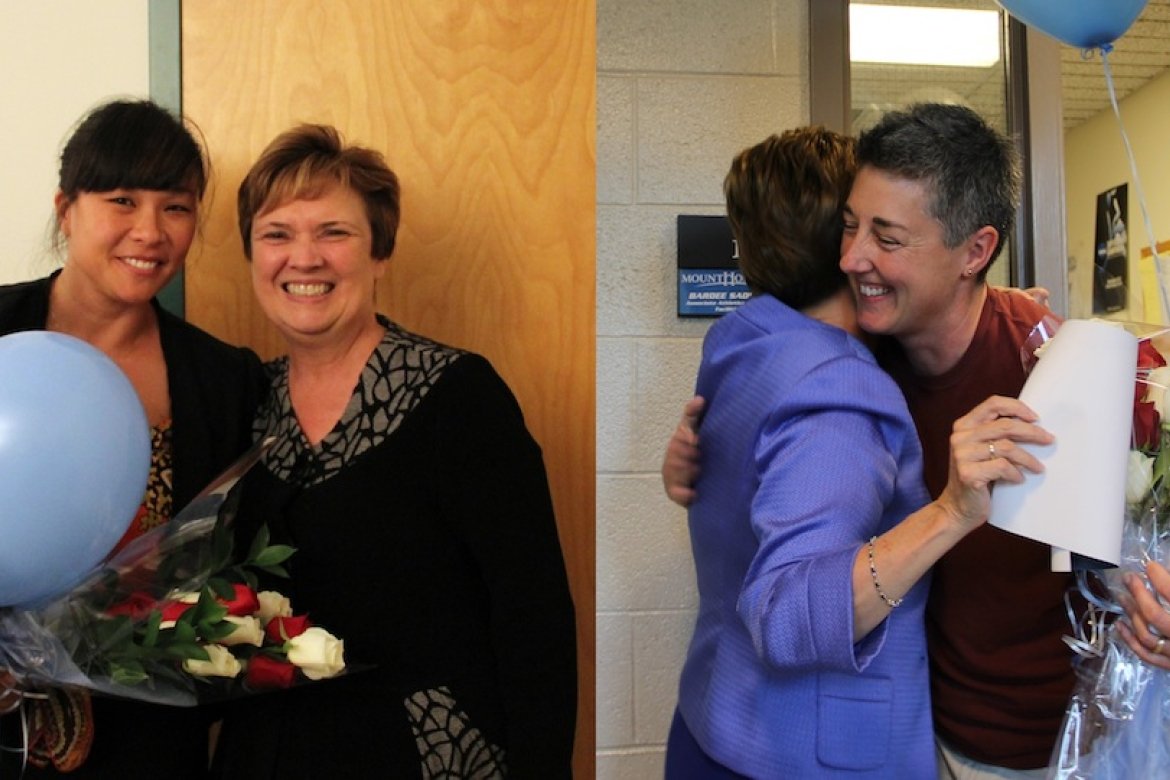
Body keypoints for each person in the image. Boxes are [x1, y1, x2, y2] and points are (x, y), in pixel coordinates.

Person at [665, 103, 1071, 778]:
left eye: (886, 237)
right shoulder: (851, 359)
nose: (850, 258)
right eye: (850, 227)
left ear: (975, 252)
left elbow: (1129, 539)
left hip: (1028, 742)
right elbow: (789, 598)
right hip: (899, 727)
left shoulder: (1049, 362)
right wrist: (699, 467)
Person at [211, 124, 577, 778]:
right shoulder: (244, 402)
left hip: (426, 751)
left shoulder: (458, 397)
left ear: (380, 251)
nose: (304, 257)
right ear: (252, 256)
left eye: (333, 232)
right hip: (270, 751)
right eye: (277, 234)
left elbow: (534, 620)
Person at [0, 100, 268, 776]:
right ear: (67, 208)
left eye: (175, 207)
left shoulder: (224, 378)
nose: (149, 232)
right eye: (122, 200)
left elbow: (229, 561)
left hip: (147, 733)